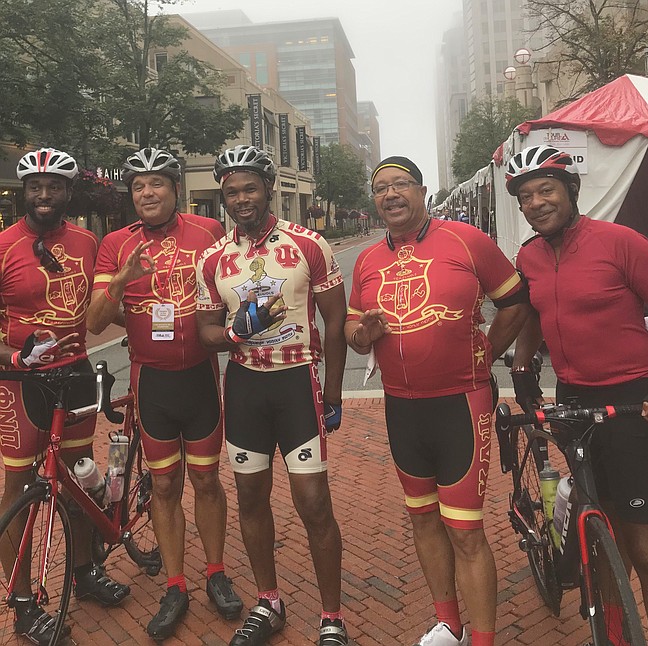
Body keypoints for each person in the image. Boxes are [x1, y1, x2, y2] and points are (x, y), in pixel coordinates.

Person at [345, 156, 530, 646]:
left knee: (465, 528)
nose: (390, 194)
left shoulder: (466, 240)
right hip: (401, 407)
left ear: (422, 190)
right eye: (380, 187)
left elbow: (515, 300)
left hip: (461, 403)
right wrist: (361, 336)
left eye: (401, 184)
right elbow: (351, 330)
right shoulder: (366, 259)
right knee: (422, 516)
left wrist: (487, 350)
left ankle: (485, 638)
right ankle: (450, 622)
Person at [506, 144, 648, 646]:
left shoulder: (621, 242)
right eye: (526, 196)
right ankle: (613, 634)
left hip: (631, 399)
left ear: (572, 191)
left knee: (646, 550)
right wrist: (520, 362)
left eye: (546, 190)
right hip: (573, 398)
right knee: (596, 534)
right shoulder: (528, 256)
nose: (536, 203)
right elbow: (533, 314)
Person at [86, 147, 242, 641]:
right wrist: (123, 286)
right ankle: (176, 583)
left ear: (176, 190)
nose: (147, 193)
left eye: (156, 184)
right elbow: (92, 321)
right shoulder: (115, 244)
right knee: (166, 487)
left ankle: (215, 571)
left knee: (208, 482)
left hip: (200, 378)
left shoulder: (208, 232)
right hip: (151, 383)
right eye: (138, 186)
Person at [196, 144, 348, 646]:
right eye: (231, 191)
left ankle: (331, 617)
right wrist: (238, 332)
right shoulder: (214, 257)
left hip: (297, 382)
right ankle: (269, 601)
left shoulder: (309, 244)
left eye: (250, 188)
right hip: (244, 386)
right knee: (251, 497)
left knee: (313, 504)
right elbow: (205, 331)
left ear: (269, 189)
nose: (241, 199)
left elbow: (336, 320)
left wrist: (334, 391)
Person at [0, 148, 130, 644]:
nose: (45, 194)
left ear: (68, 192)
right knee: (18, 492)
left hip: (73, 373)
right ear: (23, 192)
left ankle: (83, 573)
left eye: (54, 185)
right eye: (36, 186)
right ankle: (24, 604)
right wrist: (15, 359)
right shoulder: (5, 245)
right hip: (20, 381)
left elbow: (102, 305)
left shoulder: (86, 242)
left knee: (76, 473)